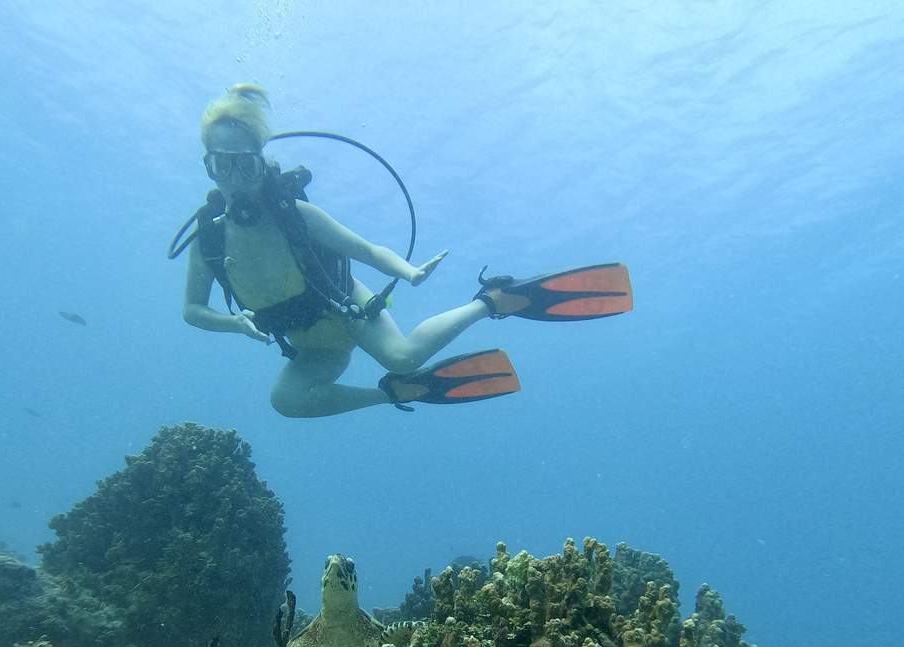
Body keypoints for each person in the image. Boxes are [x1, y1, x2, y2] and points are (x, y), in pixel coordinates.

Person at [181, 83, 632, 418]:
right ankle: (396, 392)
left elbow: (367, 250)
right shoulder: (209, 242)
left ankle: (494, 300)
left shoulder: (296, 216)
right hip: (313, 346)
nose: (236, 177)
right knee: (287, 402)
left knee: (402, 355)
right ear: (209, 168)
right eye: (222, 164)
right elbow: (192, 311)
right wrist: (233, 325)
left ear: (262, 164)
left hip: (346, 311)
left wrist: (409, 272)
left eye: (245, 163)